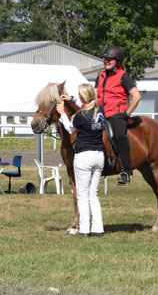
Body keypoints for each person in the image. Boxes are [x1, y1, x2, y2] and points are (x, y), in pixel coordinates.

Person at [56, 84, 105, 237]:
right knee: (93, 194)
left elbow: (70, 129)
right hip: (99, 155)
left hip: (84, 156)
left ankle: (84, 229)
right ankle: (98, 228)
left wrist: (62, 113)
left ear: (83, 97)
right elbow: (87, 105)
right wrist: (73, 99)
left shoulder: (79, 116)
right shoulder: (101, 110)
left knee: (82, 195)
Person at [95, 45, 141, 186]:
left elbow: (136, 96)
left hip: (116, 114)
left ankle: (126, 172)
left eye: (110, 59)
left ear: (118, 61)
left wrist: (126, 114)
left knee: (120, 136)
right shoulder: (100, 76)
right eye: (105, 59)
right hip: (100, 113)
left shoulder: (124, 77)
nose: (106, 61)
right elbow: (95, 95)